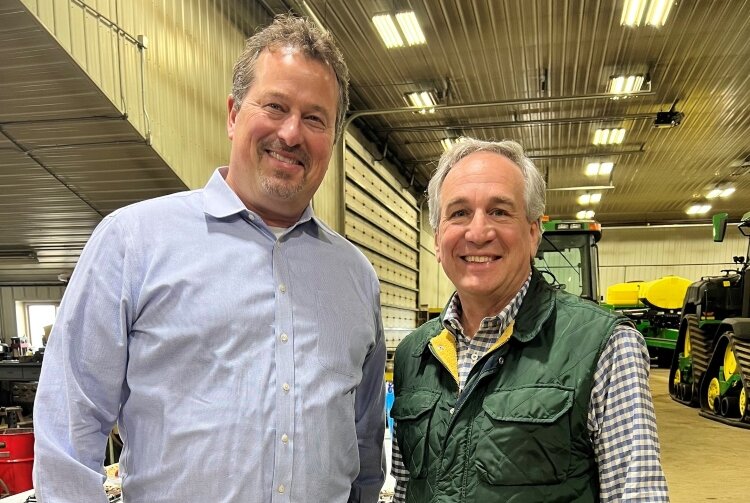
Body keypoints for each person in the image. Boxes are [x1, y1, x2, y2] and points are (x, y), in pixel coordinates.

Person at [33, 14, 386, 503]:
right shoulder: (132, 243)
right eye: (276, 106)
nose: (291, 133)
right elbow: (69, 431)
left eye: (314, 118)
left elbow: (365, 443)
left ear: (332, 138)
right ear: (233, 114)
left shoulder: (356, 279)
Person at [390, 138, 669, 502]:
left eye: (499, 212)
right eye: (459, 213)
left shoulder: (605, 346)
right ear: (438, 237)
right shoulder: (415, 355)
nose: (477, 232)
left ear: (534, 232)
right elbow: (403, 489)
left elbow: (637, 494)